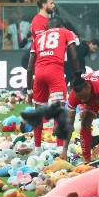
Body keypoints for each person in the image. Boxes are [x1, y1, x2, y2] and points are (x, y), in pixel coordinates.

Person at [26, 16, 81, 148]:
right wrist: (77, 76)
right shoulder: (66, 32)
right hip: (55, 72)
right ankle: (59, 148)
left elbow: (29, 67)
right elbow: (73, 57)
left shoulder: (38, 37)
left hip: (39, 74)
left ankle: (38, 149)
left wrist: (29, 91)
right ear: (61, 26)